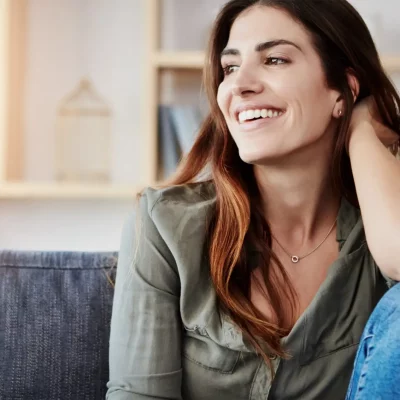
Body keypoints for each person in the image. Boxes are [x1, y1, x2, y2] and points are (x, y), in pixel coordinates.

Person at [106, 0, 400, 399]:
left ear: (343, 89)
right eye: (230, 68)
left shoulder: (381, 227)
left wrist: (362, 127)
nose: (240, 84)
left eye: (275, 60)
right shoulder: (163, 224)